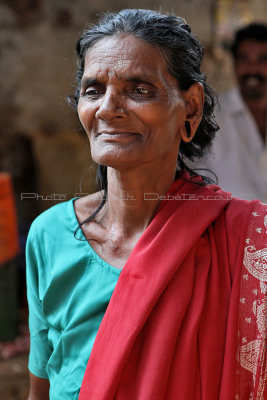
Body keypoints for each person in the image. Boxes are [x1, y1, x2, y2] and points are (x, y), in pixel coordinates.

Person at [26, 9, 267, 400]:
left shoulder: (245, 242)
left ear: (190, 108)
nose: (108, 108)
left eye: (139, 90)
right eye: (93, 90)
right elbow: (42, 390)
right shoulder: (50, 235)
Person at [193, 23, 267, 202]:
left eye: (262, 59)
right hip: (230, 227)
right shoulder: (209, 115)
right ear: (234, 63)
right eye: (244, 59)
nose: (252, 69)